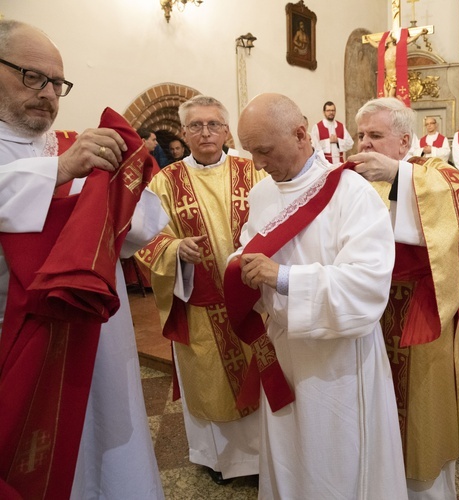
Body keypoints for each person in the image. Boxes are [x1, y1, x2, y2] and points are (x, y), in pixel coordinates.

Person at [0, 20, 165, 499]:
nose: (49, 93)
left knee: (104, 448)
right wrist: (61, 171)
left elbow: (136, 232)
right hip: (17, 338)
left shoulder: (71, 146)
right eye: (33, 77)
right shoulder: (66, 157)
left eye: (57, 83)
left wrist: (126, 184)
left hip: (96, 340)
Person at [229, 92, 407, 499]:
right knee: (290, 454)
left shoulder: (351, 194)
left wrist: (286, 277)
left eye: (264, 150)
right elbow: (249, 247)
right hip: (284, 349)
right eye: (250, 152)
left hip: (338, 363)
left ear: (299, 134)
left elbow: (367, 286)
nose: (257, 163)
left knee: (336, 461)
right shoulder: (262, 194)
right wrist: (240, 263)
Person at [350, 97, 459, 498]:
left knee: (421, 411)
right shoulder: (353, 180)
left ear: (405, 141)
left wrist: (398, 176)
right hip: (369, 310)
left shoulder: (432, 171)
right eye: (360, 135)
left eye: (375, 135)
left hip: (419, 308)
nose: (365, 144)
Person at [136, 95, 265, 485]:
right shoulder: (164, 181)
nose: (205, 132)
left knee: (259, 377)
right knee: (208, 382)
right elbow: (144, 237)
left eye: (213, 124)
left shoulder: (254, 170)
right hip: (200, 304)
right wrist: (175, 249)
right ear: (184, 133)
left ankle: (264, 457)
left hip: (252, 302)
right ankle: (219, 459)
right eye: (196, 125)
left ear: (226, 131)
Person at [309, 101, 353, 166]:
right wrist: (328, 141)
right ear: (324, 112)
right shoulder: (317, 127)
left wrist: (338, 141)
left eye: (333, 110)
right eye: (328, 110)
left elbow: (350, 143)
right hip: (324, 163)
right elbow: (313, 145)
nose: (331, 112)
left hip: (339, 163)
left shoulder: (341, 126)